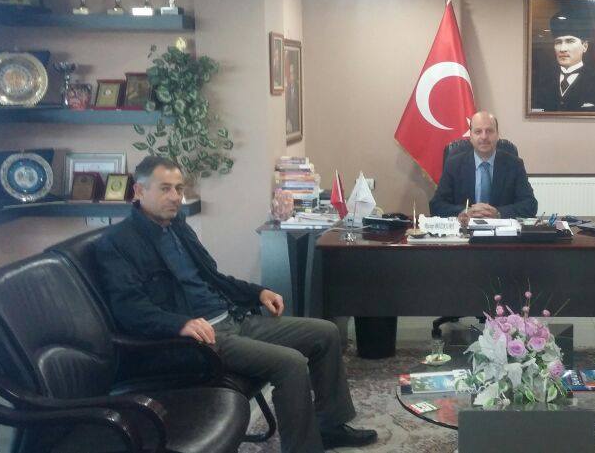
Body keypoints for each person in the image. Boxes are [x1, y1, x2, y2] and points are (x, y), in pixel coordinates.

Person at [95, 156, 377, 453]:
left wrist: (258, 293)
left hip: (232, 317)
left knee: (325, 333)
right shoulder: (117, 243)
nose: (175, 197)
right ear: (139, 191)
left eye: (179, 188)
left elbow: (214, 278)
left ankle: (330, 427)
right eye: (165, 189)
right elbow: (129, 309)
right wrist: (180, 324)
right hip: (199, 340)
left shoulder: (178, 228)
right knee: (291, 363)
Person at [430, 110, 538, 223]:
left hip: (500, 230)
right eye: (478, 131)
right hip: (465, 229)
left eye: (489, 131)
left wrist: (498, 213)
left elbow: (530, 204)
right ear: (471, 136)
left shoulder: (514, 165)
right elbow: (436, 205)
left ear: (497, 135)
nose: (484, 136)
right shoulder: (454, 164)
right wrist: (465, 212)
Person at [530, 9, 595, 112]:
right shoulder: (542, 80)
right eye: (558, 42)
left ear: (585, 46)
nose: (562, 49)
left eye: (570, 41)